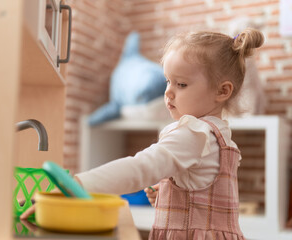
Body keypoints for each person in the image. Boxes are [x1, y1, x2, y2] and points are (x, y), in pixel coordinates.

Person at [22, 28, 264, 240]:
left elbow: (139, 168)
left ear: (222, 91)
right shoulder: (221, 137)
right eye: (168, 81)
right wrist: (174, 194)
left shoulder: (193, 133)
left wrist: (77, 186)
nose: (168, 93)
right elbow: (206, 196)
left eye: (181, 84)